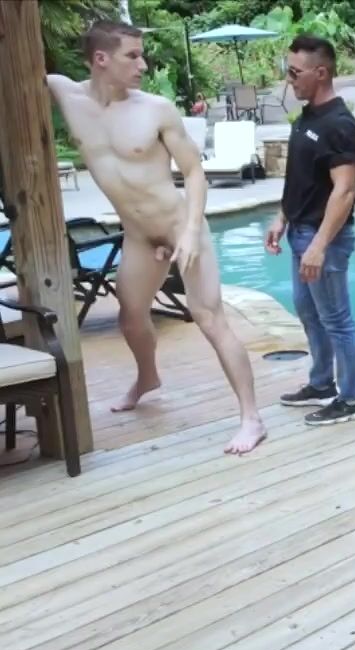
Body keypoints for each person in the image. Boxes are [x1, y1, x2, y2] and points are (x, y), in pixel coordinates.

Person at [45, 20, 267, 455]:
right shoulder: (66, 95)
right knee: (130, 317)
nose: (143, 64)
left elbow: (194, 171)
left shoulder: (156, 109)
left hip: (180, 227)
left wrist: (190, 231)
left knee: (209, 318)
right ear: (100, 59)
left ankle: (251, 418)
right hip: (138, 236)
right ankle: (147, 377)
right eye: (132, 55)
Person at [264, 34, 355, 426]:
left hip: (324, 238)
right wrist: (282, 217)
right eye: (287, 70)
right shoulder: (308, 117)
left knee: (337, 320)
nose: (289, 79)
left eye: (295, 72)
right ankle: (322, 383)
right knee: (309, 312)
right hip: (300, 232)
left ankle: (353, 398)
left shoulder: (340, 126)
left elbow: (345, 191)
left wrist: (320, 245)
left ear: (321, 73)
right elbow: (301, 179)